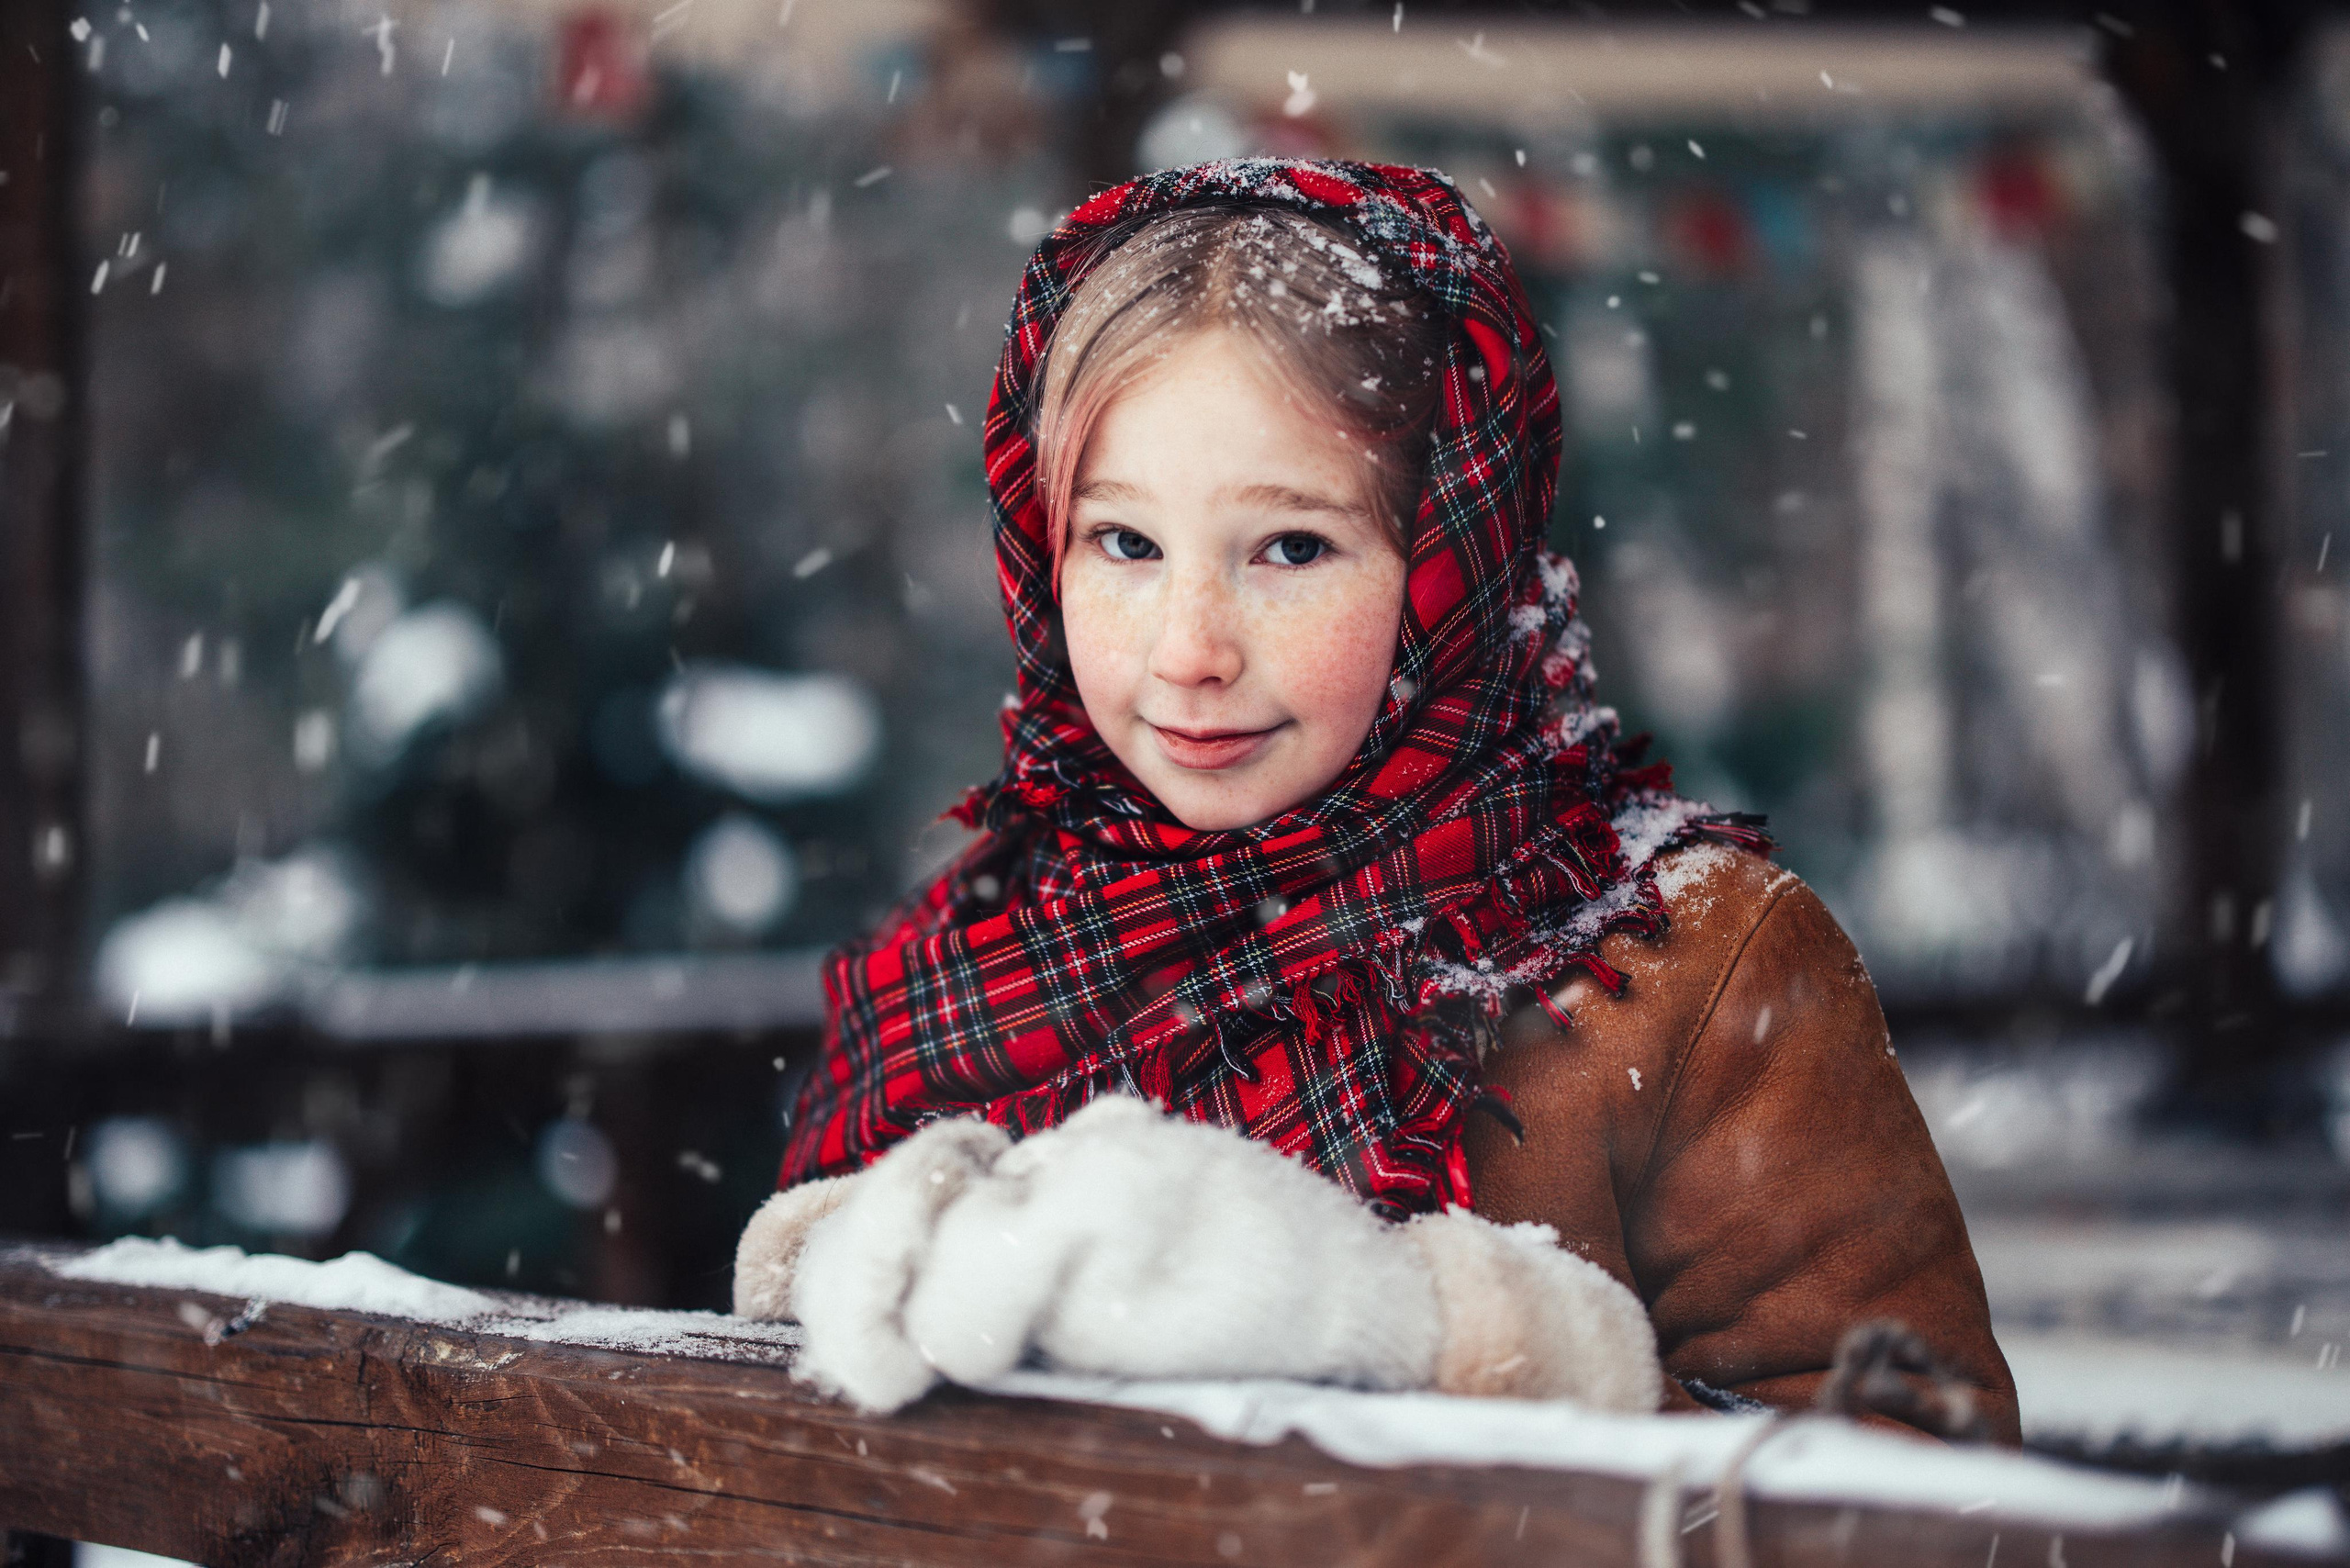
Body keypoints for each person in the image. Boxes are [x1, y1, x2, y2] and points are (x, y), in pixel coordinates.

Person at [733, 158, 2018, 1440]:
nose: (1191, 647)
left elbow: (1936, 1496)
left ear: (1455, 552)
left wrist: (1424, 1330)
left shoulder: (1690, 969)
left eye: (1292, 547)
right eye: (1124, 543)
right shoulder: (986, 941)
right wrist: (849, 1270)